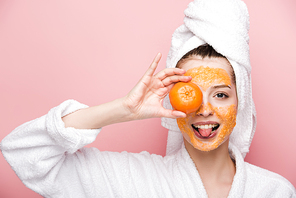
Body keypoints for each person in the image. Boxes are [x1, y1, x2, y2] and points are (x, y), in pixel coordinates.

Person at [1, 0, 295, 198]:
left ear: (240, 102)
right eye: (190, 93)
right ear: (171, 100)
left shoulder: (275, 191)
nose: (205, 110)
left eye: (220, 94)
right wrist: (123, 109)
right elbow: (23, 154)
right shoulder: (130, 179)